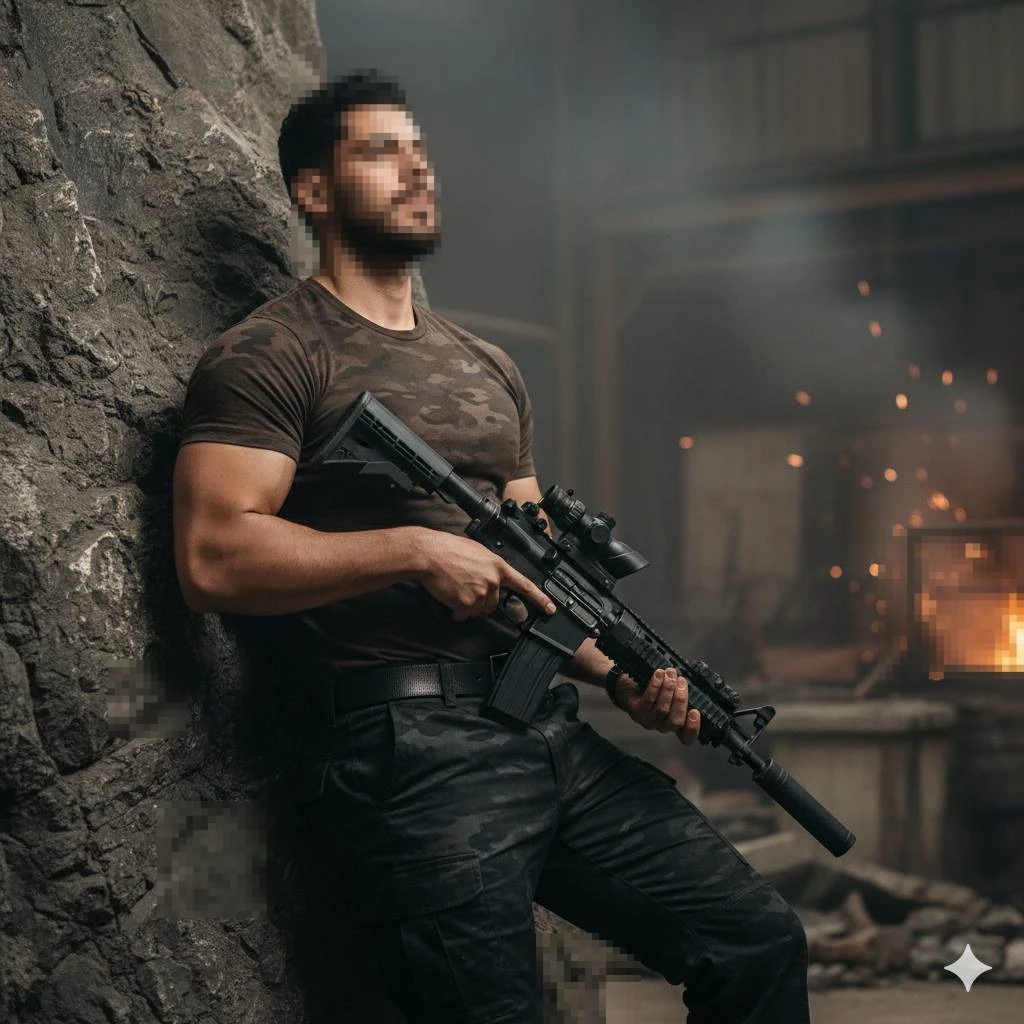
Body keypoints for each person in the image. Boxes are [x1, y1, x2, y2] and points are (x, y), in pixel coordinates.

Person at [172, 70, 809, 1023]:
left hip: (544, 732)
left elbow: (538, 577)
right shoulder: (272, 352)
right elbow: (213, 558)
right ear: (312, 190)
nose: (415, 165)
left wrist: (621, 672)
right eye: (380, 150)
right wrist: (414, 552)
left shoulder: (485, 366)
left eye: (419, 149)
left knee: (757, 938)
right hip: (404, 748)